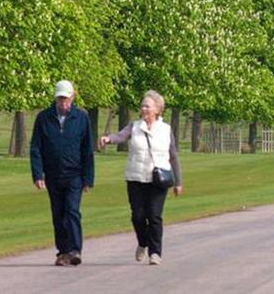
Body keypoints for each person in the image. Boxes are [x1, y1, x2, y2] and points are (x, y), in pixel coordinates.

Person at [100, 90, 183, 265]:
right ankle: (142, 242)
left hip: (158, 179)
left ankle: (155, 253)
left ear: (157, 109)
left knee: (154, 216)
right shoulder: (135, 126)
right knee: (137, 216)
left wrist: (178, 182)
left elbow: (173, 156)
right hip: (136, 178)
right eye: (142, 105)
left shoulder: (165, 129)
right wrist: (109, 139)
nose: (143, 108)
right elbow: (121, 136)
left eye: (147, 106)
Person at [30, 80, 94, 267]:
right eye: (60, 99)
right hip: (52, 174)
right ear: (55, 99)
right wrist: (38, 174)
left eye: (66, 99)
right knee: (58, 214)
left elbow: (87, 149)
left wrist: (88, 177)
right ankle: (63, 252)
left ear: (72, 97)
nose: (63, 103)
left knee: (72, 210)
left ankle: (75, 250)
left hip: (74, 174)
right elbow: (36, 148)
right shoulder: (44, 118)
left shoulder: (81, 118)